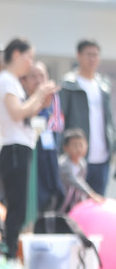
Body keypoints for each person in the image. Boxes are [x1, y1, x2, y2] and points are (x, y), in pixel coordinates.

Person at [0, 37, 57, 269]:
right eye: (29, 57)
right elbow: (17, 113)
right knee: (16, 207)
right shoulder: (7, 80)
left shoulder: (12, 82)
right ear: (17, 54)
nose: (30, 64)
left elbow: (24, 114)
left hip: (21, 148)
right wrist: (38, 94)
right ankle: (8, 258)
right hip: (14, 149)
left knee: (19, 207)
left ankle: (9, 257)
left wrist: (40, 101)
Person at [59, 40, 114, 197]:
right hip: (77, 156)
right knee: (75, 200)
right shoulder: (69, 84)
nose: (92, 59)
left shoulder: (103, 85)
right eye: (88, 54)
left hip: (102, 157)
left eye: (95, 55)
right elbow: (61, 119)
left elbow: (109, 120)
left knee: (98, 201)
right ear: (79, 56)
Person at [22, 61, 64, 213]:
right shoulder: (22, 101)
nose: (38, 80)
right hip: (29, 161)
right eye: (33, 76)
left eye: (42, 75)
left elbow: (57, 128)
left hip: (49, 160)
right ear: (24, 81)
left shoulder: (54, 101)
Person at [58, 129, 107, 213]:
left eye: (81, 145)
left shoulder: (82, 164)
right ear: (66, 148)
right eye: (75, 145)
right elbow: (76, 181)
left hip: (72, 201)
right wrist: (91, 194)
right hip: (60, 200)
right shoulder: (63, 164)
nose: (79, 149)